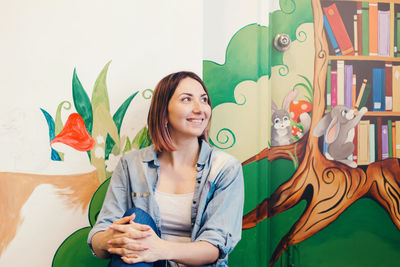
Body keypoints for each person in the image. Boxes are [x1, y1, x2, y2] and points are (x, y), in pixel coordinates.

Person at [88, 71, 244, 266]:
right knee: (136, 221)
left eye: (204, 100)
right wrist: (109, 238)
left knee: (137, 228)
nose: (200, 108)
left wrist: (160, 249)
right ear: (164, 112)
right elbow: (101, 233)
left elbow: (215, 246)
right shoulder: (131, 164)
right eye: (187, 99)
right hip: (143, 264)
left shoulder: (225, 168)